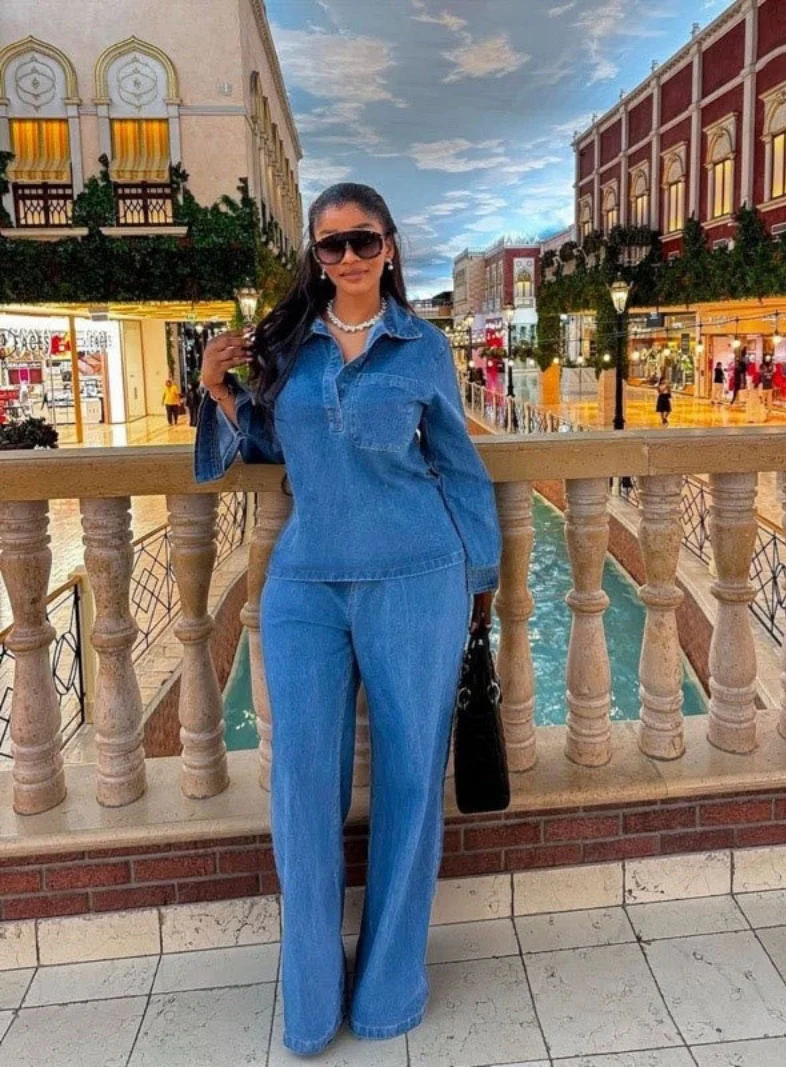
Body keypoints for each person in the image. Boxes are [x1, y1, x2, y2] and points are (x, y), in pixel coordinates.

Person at [194, 182, 501, 1055]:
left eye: (364, 240)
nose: (350, 257)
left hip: (418, 578)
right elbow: (272, 444)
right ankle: (310, 1002)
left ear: (389, 246)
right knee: (301, 788)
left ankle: (390, 990)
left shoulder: (422, 348)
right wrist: (218, 388)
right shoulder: (290, 344)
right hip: (305, 586)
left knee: (411, 779)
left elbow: (459, 464)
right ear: (316, 257)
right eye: (332, 245)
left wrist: (480, 580)